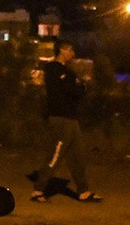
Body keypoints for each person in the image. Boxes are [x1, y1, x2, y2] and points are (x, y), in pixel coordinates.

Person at [28, 41, 100, 202]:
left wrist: (78, 87)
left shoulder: (67, 71)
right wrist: (78, 87)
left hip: (71, 118)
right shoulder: (54, 69)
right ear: (62, 50)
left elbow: (76, 89)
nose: (73, 53)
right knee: (56, 153)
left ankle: (83, 191)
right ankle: (38, 189)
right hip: (61, 118)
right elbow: (72, 89)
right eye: (70, 50)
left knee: (77, 156)